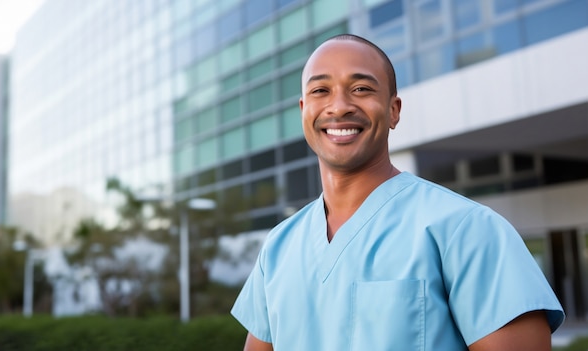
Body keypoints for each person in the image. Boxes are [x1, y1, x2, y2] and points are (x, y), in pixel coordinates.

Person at [231, 34, 564, 351]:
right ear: (304, 109)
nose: (339, 106)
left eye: (361, 88)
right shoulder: (278, 248)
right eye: (321, 90)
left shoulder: (468, 230)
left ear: (393, 110)